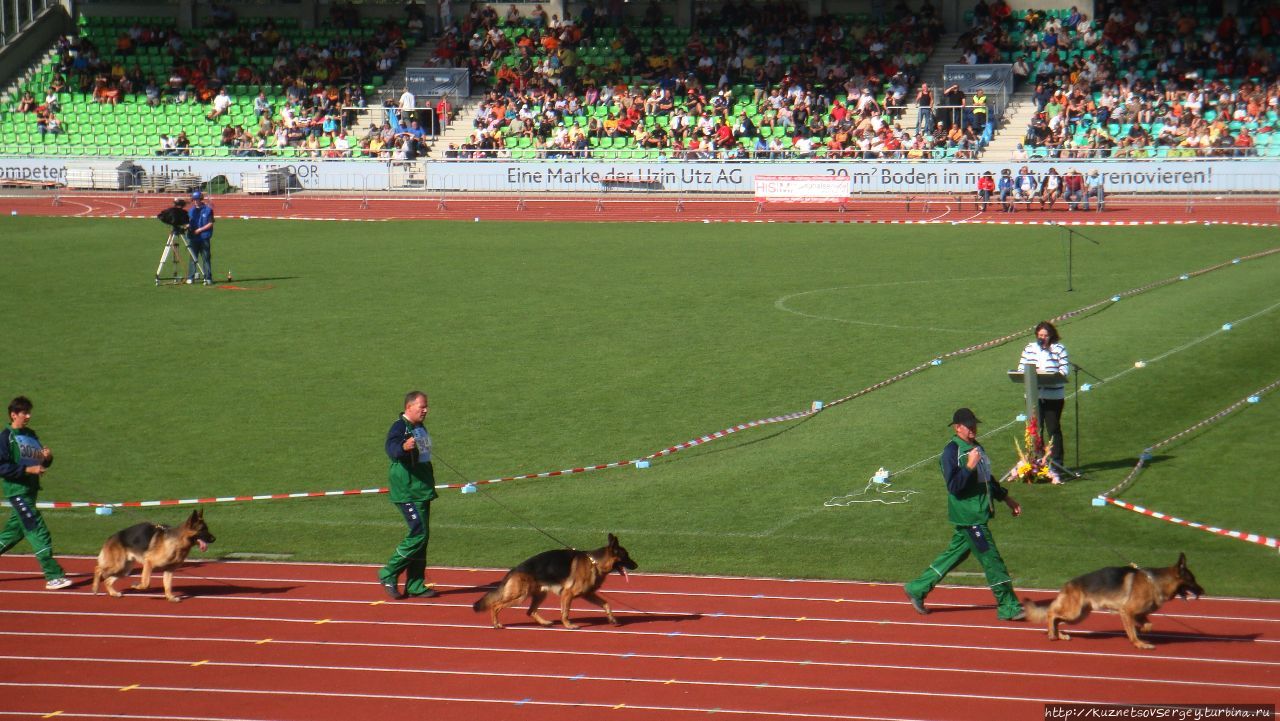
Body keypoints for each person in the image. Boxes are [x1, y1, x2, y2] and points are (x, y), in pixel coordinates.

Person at [904, 408, 1024, 621]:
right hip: (970, 517)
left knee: (955, 554)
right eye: (969, 425)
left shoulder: (977, 447)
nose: (973, 428)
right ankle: (1008, 606)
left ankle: (917, 588)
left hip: (977, 514)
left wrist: (1006, 498)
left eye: (974, 424)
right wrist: (969, 466)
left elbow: (987, 478)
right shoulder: (951, 452)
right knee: (992, 561)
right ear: (957, 427)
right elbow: (953, 487)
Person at [0, 396, 72, 590]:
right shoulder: (5, 438)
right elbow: (2, 467)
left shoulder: (31, 435)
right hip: (17, 492)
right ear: (14, 414)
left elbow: (40, 461)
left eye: (29, 412)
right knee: (37, 530)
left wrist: (47, 458)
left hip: (31, 491)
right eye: (25, 413)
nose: (28, 416)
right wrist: (27, 470)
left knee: (12, 534)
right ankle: (53, 576)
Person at [378, 391, 439, 600]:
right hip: (407, 490)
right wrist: (403, 447)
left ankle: (415, 584)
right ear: (409, 407)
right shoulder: (399, 427)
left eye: (426, 406)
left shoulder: (420, 427)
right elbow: (392, 449)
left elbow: (423, 455)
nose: (426, 410)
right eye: (422, 406)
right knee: (418, 534)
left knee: (423, 538)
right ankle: (389, 572)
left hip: (422, 489)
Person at [1019, 321, 1069, 473]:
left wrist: (1052, 376)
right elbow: (1021, 368)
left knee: (1053, 428)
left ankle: (1057, 463)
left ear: (1051, 336)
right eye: (1040, 335)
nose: (1042, 338)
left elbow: (1064, 370)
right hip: (1033, 395)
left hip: (1053, 396)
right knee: (1035, 429)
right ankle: (1036, 461)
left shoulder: (1058, 349)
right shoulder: (1029, 348)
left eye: (1045, 335)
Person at [186, 190, 214, 285]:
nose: (195, 201)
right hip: (193, 238)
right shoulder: (191, 211)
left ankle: (208, 277)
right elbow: (189, 222)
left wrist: (200, 230)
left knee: (206, 258)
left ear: (200, 199)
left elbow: (210, 223)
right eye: (194, 200)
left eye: (197, 199)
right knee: (193, 258)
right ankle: (191, 277)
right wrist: (187, 226)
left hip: (204, 237)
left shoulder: (208, 210)